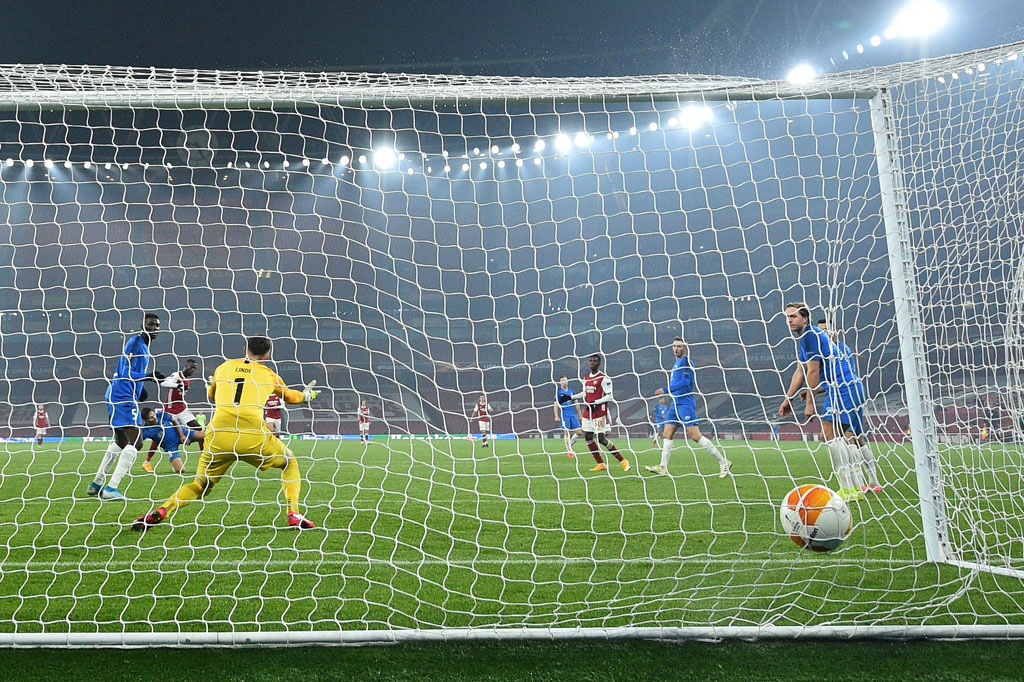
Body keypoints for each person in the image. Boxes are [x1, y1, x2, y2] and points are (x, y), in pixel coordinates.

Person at [132, 336, 320, 531]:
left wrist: (213, 386)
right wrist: (307, 396)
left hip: (219, 435)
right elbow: (291, 397)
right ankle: (293, 512)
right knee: (289, 462)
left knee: (200, 485)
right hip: (252, 436)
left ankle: (164, 509)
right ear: (268, 355)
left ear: (244, 349)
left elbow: (212, 395)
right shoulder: (269, 374)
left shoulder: (224, 367)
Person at [778, 303, 863, 501]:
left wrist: (809, 403)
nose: (789, 320)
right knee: (842, 436)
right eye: (787, 317)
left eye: (793, 316)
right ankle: (856, 487)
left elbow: (813, 371)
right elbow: (800, 372)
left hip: (842, 387)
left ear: (805, 318)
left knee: (829, 434)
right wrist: (788, 399)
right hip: (848, 386)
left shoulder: (809, 335)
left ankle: (848, 489)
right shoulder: (810, 337)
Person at [87, 313, 164, 501]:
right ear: (142, 324)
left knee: (121, 441)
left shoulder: (143, 345)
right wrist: (147, 376)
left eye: (157, 325)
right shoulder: (136, 343)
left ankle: (96, 484)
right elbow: (125, 371)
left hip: (116, 394)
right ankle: (111, 489)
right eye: (151, 324)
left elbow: (130, 371)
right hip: (122, 396)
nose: (155, 328)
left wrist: (141, 389)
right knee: (136, 441)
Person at [645, 338, 730, 477]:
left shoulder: (686, 362)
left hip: (685, 403)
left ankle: (723, 462)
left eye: (679, 346)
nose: (676, 348)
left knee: (695, 436)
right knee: (667, 434)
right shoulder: (676, 363)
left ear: (685, 348)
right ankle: (662, 467)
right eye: (674, 346)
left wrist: (666, 389)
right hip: (675, 403)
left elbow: (686, 382)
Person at [560, 354, 630, 473]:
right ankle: (600, 463)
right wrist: (569, 397)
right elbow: (585, 393)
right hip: (588, 411)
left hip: (599, 412)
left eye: (595, 361)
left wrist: (596, 402)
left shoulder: (604, 378)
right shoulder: (586, 377)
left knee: (601, 439)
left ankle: (623, 461)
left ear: (599, 364)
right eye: (590, 361)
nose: (592, 362)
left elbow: (610, 396)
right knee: (587, 436)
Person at [143, 358, 204, 472]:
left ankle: (203, 457)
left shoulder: (188, 379)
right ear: (186, 366)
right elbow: (164, 383)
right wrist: (177, 385)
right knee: (159, 435)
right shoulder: (176, 375)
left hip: (181, 409)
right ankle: (147, 461)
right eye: (192, 367)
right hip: (170, 409)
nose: (193, 370)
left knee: (198, 428)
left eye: (194, 368)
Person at [139, 407, 205, 474]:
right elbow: (138, 442)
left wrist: (181, 435)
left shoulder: (161, 415)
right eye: (151, 418)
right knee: (181, 470)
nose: (154, 418)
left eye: (154, 415)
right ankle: (175, 465)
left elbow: (174, 420)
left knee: (206, 436)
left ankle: (206, 459)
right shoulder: (146, 430)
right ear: (146, 421)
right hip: (170, 447)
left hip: (180, 433)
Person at [554, 376, 582, 458]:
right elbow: (555, 405)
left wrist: (579, 414)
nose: (564, 382)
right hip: (564, 414)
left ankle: (569, 445)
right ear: (560, 383)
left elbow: (576, 403)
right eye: (562, 380)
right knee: (567, 432)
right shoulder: (558, 392)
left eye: (565, 380)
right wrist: (556, 416)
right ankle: (569, 451)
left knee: (579, 433)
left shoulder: (572, 391)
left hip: (572, 414)